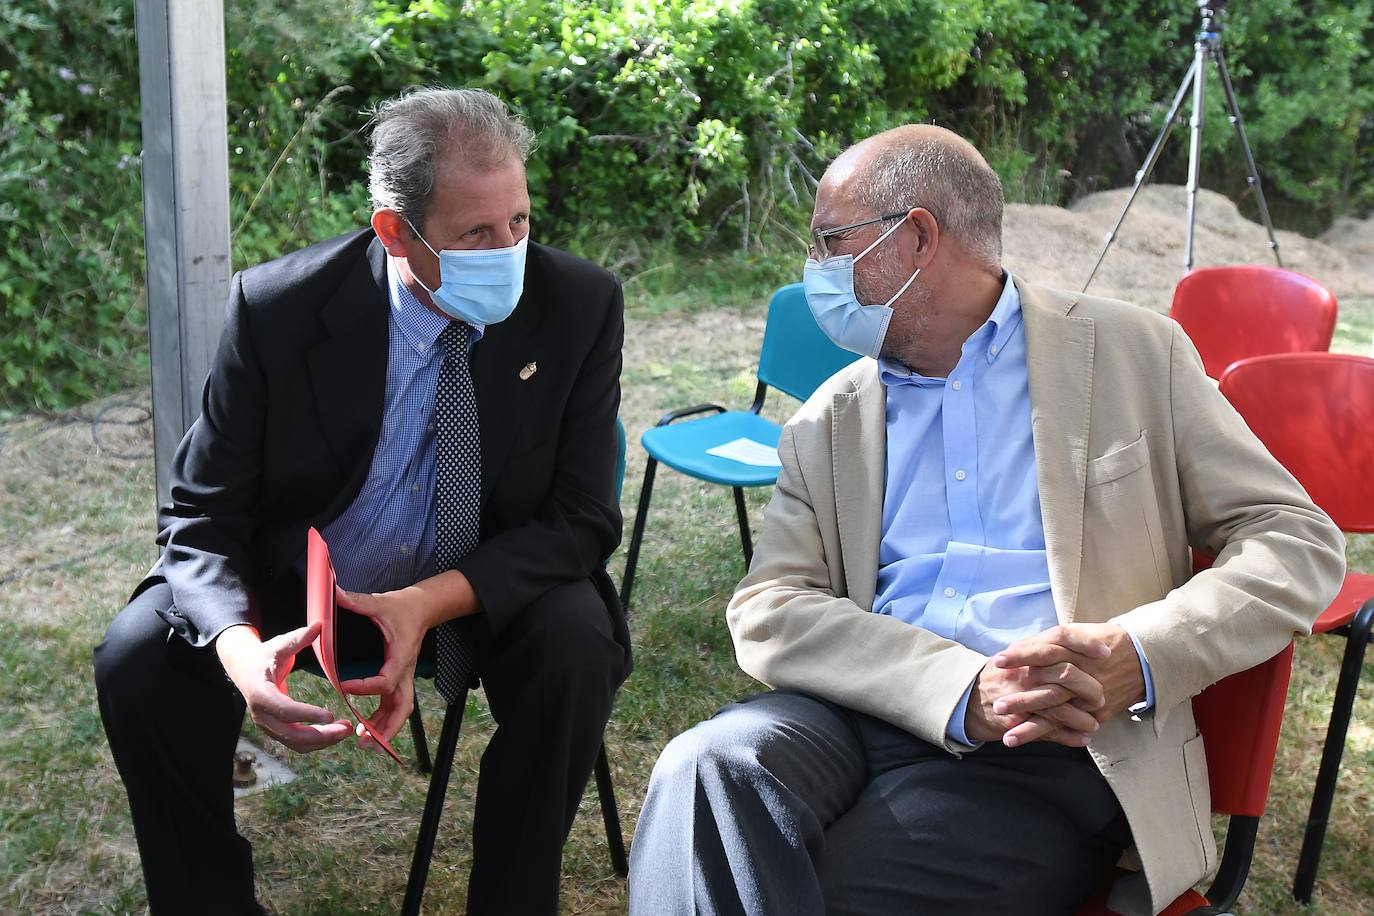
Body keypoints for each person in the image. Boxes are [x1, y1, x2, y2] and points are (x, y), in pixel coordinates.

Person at [627, 124, 1345, 916]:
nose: (815, 271)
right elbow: (769, 607)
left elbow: (1296, 539)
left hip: (1045, 747)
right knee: (704, 766)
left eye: (832, 242)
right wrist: (956, 686)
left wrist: (1137, 653)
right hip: (855, 707)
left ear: (918, 236)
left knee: (789, 893)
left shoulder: (1137, 353)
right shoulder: (831, 418)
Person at [94, 87, 629, 915]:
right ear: (394, 231)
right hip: (303, 594)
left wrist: (427, 602)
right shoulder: (277, 310)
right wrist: (240, 653)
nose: (510, 251)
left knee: (577, 643)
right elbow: (202, 515)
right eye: (476, 234)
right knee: (138, 657)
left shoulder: (578, 304)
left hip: (476, 585)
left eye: (519, 221)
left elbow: (584, 517)